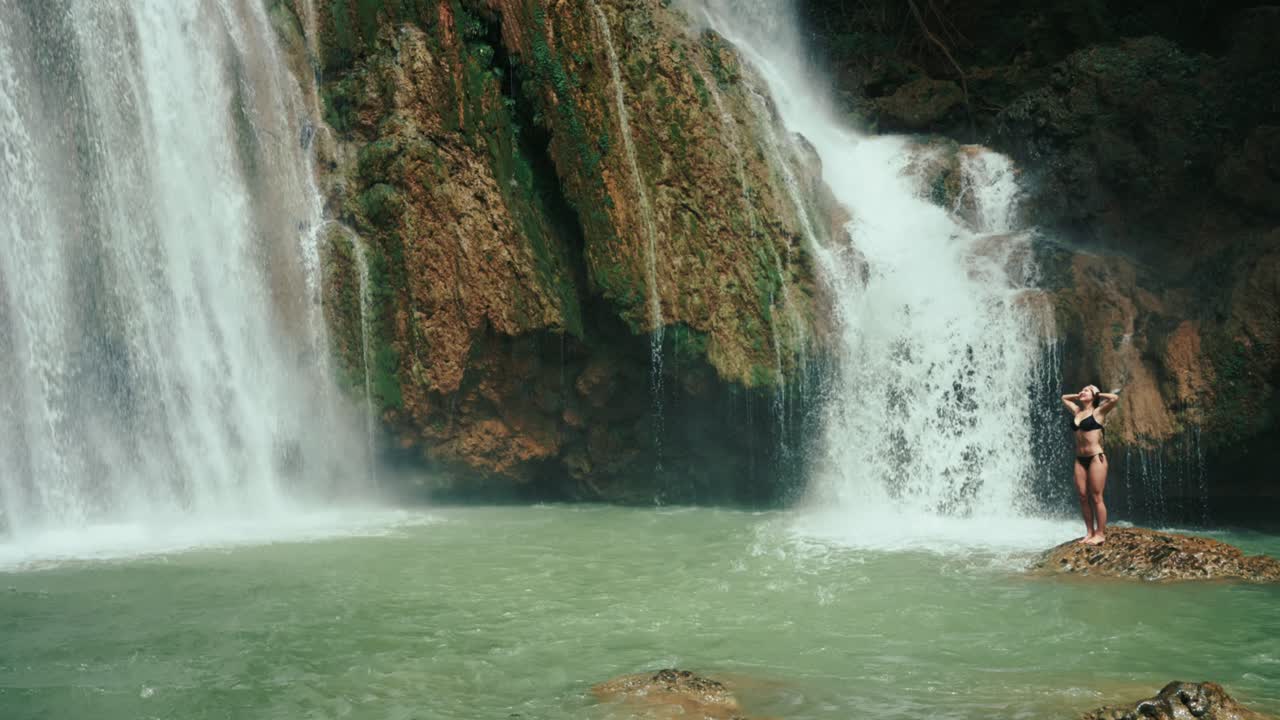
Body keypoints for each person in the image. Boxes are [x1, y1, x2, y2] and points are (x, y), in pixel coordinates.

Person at [1060, 384, 1120, 544]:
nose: (1082, 391)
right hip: (1080, 459)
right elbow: (1064, 398)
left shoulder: (1099, 412)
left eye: (1087, 389)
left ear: (1094, 395)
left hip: (1095, 457)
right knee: (1082, 496)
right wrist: (1080, 394)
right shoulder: (1077, 411)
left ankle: (1100, 534)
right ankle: (1089, 532)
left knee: (1096, 497)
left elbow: (1114, 398)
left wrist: (1098, 394)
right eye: (1082, 389)